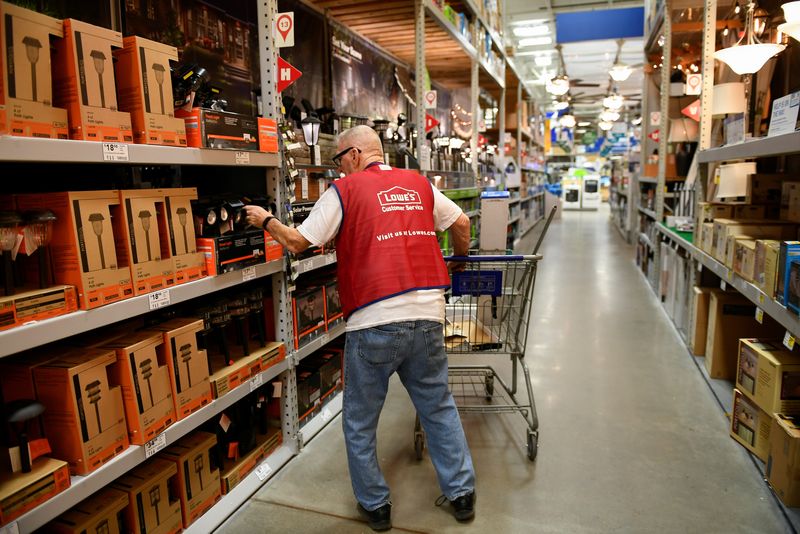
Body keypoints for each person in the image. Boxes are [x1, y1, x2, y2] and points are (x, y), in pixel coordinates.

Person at [244, 125, 475, 531]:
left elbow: (299, 243)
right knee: (438, 406)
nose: (339, 168)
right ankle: (461, 495)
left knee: (360, 419)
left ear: (352, 155)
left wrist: (267, 221)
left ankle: (376, 506)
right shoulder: (419, 184)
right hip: (427, 314)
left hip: (374, 320)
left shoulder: (344, 191)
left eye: (338, 160)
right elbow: (461, 224)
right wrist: (456, 263)